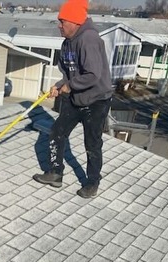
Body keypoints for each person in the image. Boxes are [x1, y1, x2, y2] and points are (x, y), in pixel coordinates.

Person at [33, 0, 114, 199]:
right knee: (56, 132)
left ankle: (92, 182)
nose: (59, 25)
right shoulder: (67, 42)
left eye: (62, 21)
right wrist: (59, 85)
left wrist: (69, 86)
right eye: (59, 21)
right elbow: (70, 73)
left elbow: (92, 75)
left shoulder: (89, 39)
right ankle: (55, 173)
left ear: (76, 21)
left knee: (92, 143)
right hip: (76, 97)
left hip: (96, 100)